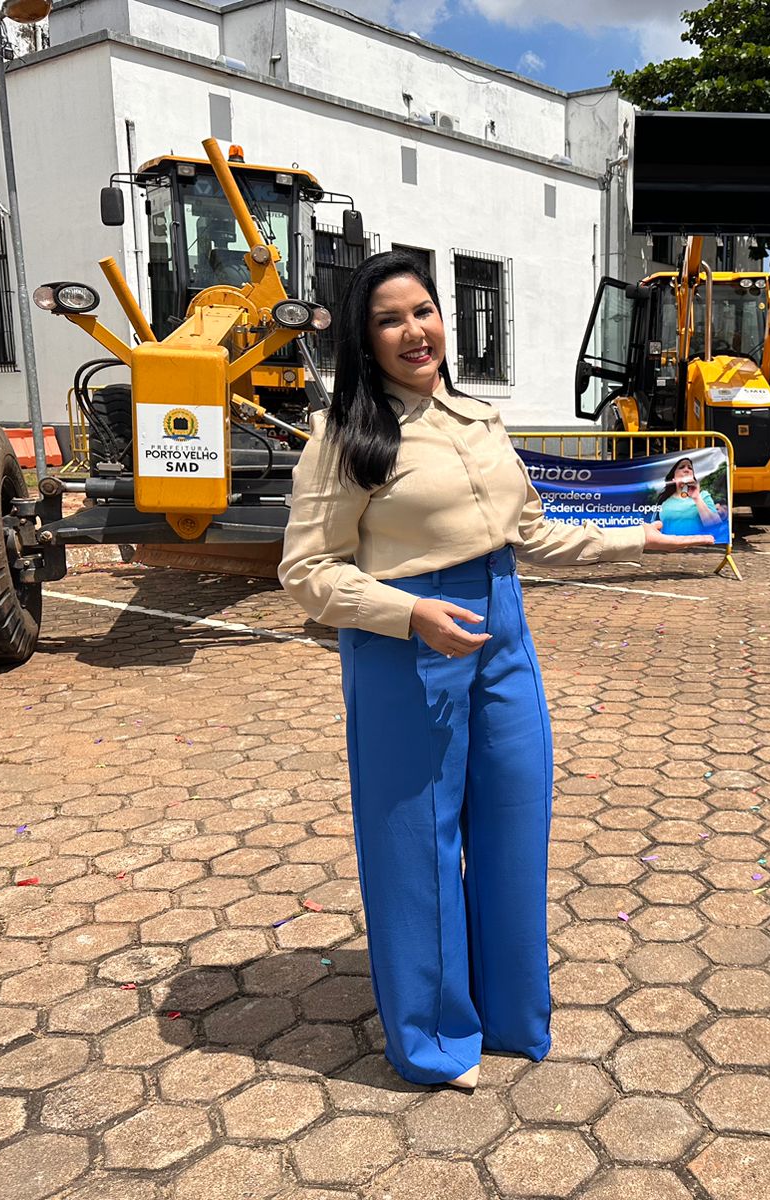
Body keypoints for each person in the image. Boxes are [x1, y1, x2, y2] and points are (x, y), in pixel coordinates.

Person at [278, 250, 712, 1092]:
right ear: (364, 340)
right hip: (407, 645)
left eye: (424, 311)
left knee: (516, 818)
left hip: (502, 628)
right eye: (390, 320)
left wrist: (643, 537)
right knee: (417, 844)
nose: (415, 331)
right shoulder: (345, 436)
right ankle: (434, 1037)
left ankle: (511, 1013)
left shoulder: (480, 420)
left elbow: (532, 532)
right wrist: (409, 614)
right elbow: (307, 573)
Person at [654, 458, 724, 537]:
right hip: (668, 544)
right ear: (673, 479)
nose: (686, 470)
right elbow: (654, 529)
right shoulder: (663, 501)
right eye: (681, 467)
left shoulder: (703, 496)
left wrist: (697, 498)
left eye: (690, 468)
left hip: (697, 544)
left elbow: (715, 526)